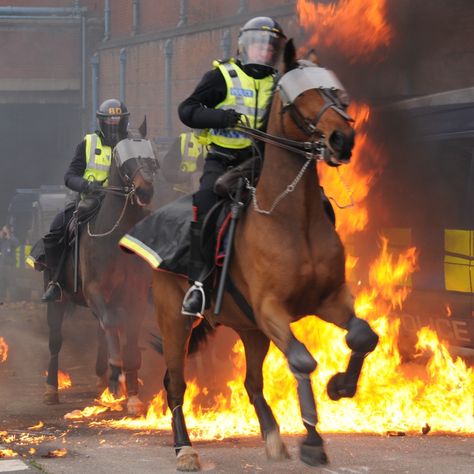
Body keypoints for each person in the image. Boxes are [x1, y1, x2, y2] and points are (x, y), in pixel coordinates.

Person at [178, 16, 286, 317]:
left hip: (263, 165)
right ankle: (199, 285)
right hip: (223, 162)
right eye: (259, 46)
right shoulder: (222, 76)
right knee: (206, 202)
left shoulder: (279, 84)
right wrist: (220, 117)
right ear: (245, 47)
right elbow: (186, 110)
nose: (264, 53)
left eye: (270, 49)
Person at [41, 98, 130, 302]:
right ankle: (55, 283)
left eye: (117, 120)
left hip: (124, 204)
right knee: (57, 228)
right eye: (110, 120)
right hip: (91, 202)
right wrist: (87, 186)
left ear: (124, 122)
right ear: (102, 122)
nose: (114, 125)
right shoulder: (88, 143)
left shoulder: (130, 146)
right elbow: (70, 176)